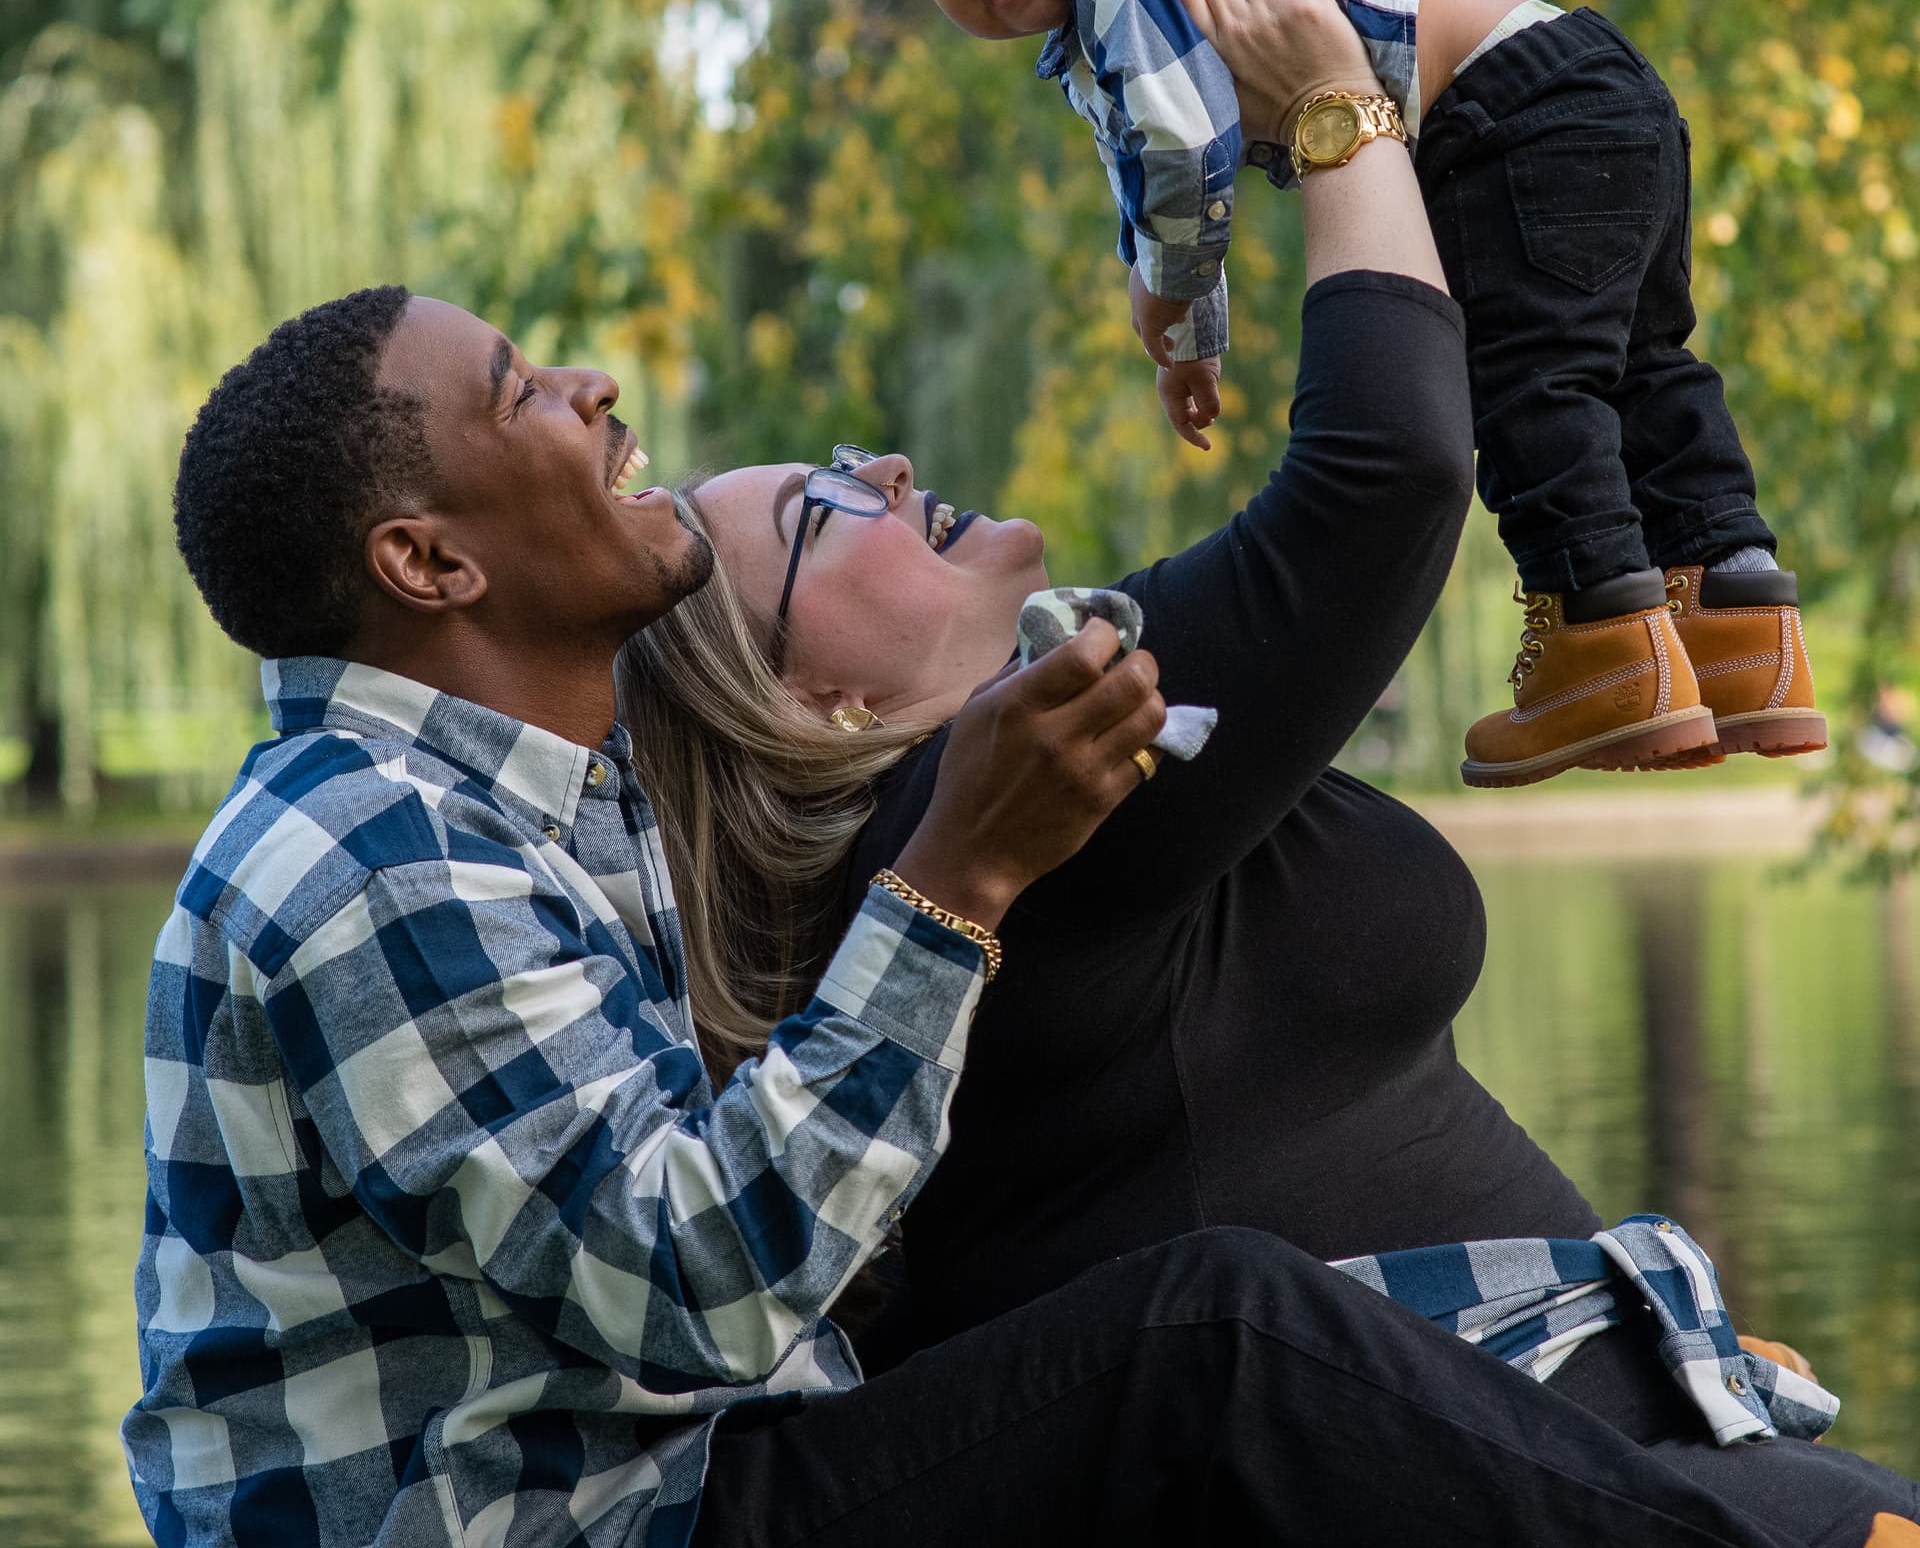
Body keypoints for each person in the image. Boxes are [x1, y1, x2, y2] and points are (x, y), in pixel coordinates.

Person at [122, 289, 1807, 1548]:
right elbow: (695, 1285)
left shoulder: (534, 804)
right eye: (521, 394)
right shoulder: (366, 849)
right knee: (1208, 1340)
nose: (592, 385)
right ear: (428, 564)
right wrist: (962, 876)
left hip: (692, 1479)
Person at [617, 0, 1920, 1544]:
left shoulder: (1021, 773)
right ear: (807, 704)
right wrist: (1337, 108)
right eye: (819, 514)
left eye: (840, 457)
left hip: (1637, 1465)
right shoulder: (1005, 796)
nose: (877, 466)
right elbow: (1381, 481)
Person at [819, 0, 1826, 788]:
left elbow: (1183, 141)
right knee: (1645, 369)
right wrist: (1192, 337)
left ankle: (1598, 642)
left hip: (1505, 123)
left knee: (1534, 384)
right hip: (1595, 87)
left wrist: (1168, 286)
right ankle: (1738, 624)